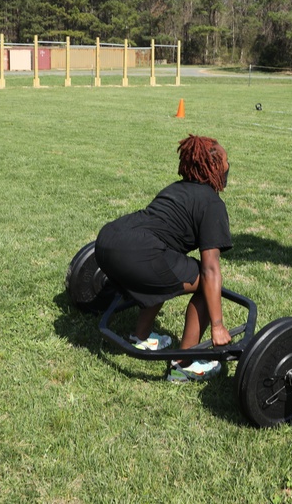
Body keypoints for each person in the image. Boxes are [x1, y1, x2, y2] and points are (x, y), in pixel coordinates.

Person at [94, 134, 233, 383]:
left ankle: (141, 336)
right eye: (225, 160)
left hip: (106, 243)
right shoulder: (212, 204)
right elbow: (211, 270)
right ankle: (184, 364)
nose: (227, 165)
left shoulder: (175, 188)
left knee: (166, 269)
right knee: (204, 283)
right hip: (139, 255)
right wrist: (218, 325)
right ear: (214, 167)